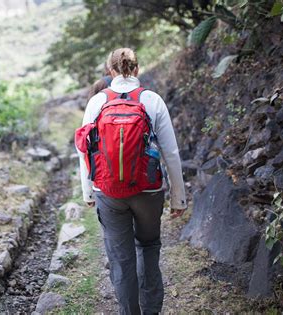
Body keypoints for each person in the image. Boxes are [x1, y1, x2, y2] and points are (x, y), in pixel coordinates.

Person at [76, 47, 187, 314]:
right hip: (148, 189)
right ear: (136, 69)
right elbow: (170, 153)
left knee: (121, 259)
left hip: (109, 190)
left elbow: (83, 149)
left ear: (110, 71)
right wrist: (178, 197)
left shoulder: (97, 102)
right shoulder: (152, 99)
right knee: (148, 247)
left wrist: (88, 192)